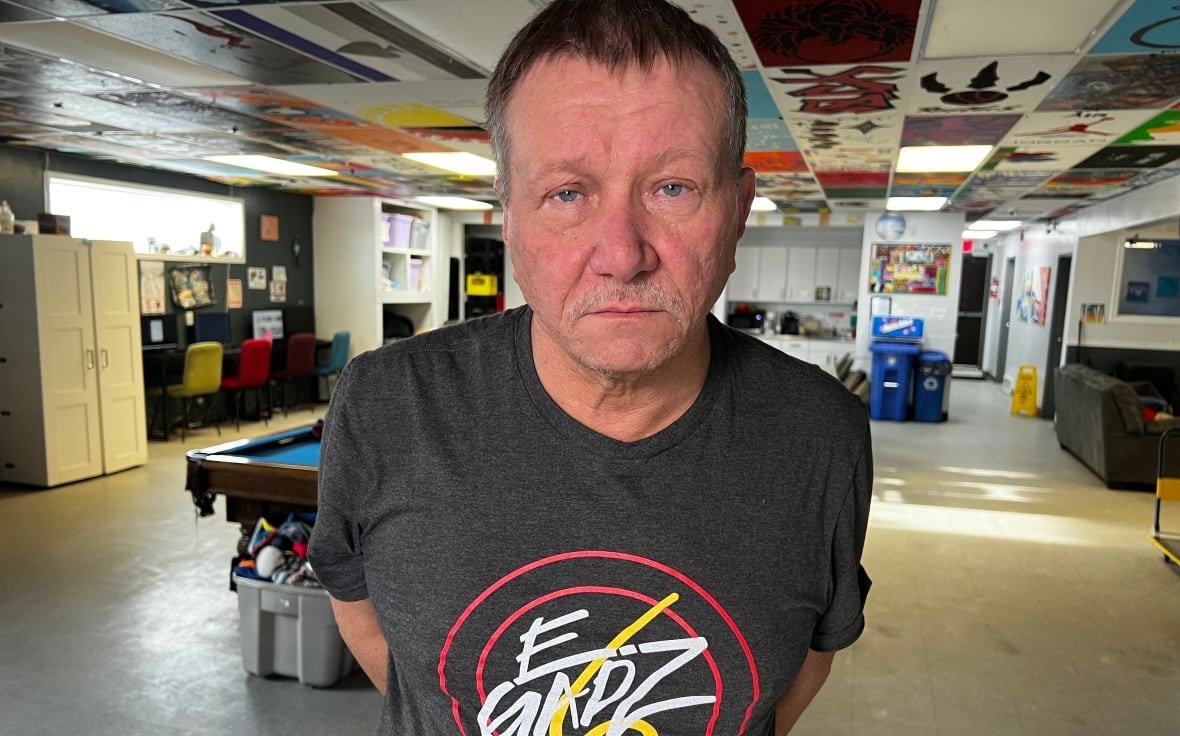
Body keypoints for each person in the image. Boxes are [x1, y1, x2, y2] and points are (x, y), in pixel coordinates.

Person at [308, 1, 872, 734]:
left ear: (737, 210)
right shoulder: (387, 404)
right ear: (508, 218)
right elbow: (379, 638)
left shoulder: (821, 434)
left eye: (673, 188)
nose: (622, 253)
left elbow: (800, 668)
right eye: (567, 194)